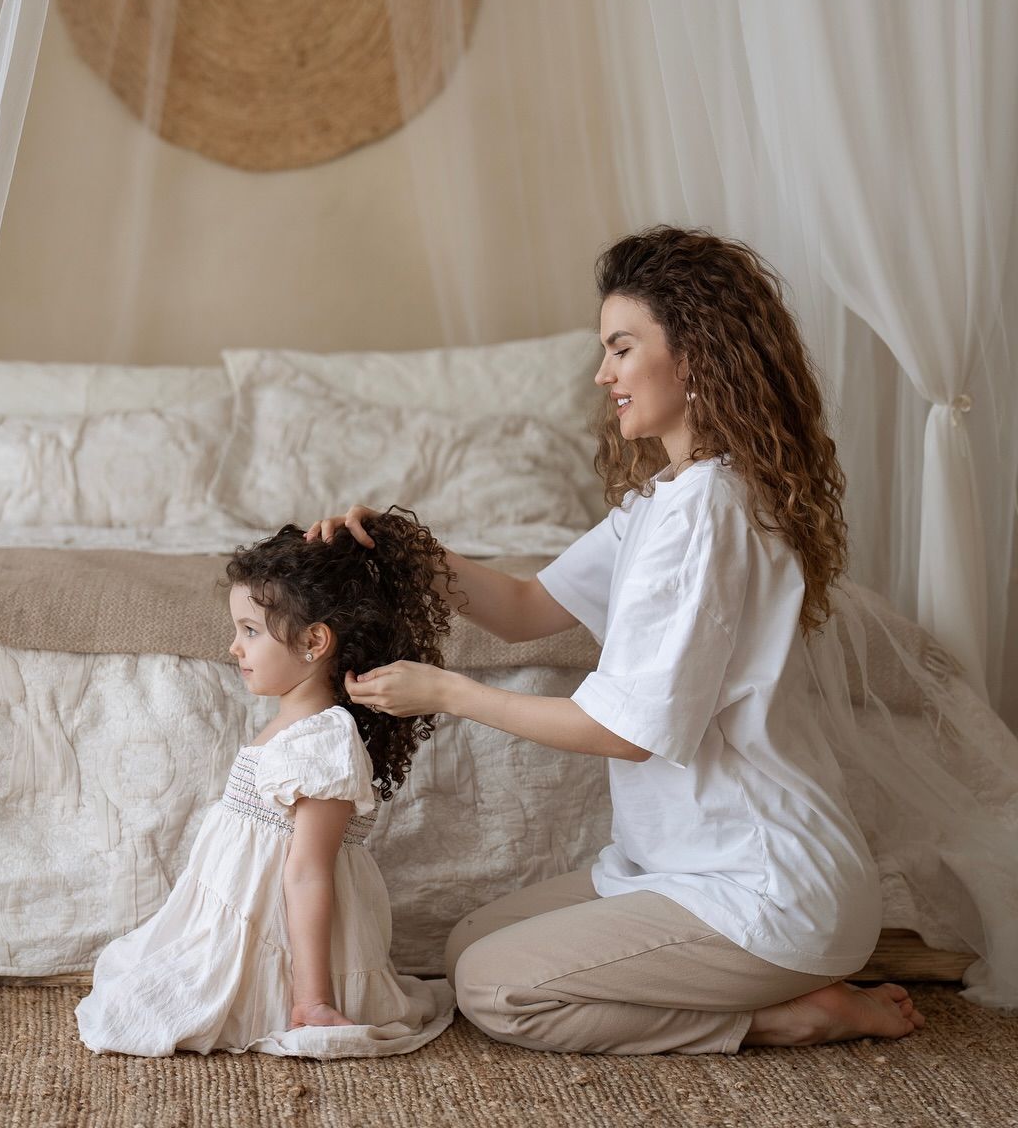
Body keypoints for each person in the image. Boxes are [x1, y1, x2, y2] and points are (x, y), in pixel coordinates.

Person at [307, 226, 927, 1055]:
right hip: (678, 867)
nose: (603, 374)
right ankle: (774, 993)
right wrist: (400, 548)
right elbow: (526, 606)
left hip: (763, 886)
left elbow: (626, 731)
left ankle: (786, 1016)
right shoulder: (663, 501)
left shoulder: (708, 515)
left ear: (695, 357)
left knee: (494, 990)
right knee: (466, 948)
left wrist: (446, 691)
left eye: (621, 348)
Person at [75, 511, 457, 1057]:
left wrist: (312, 1000)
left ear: (313, 641)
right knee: (133, 982)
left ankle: (301, 998)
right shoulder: (292, 725)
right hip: (247, 914)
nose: (235, 647)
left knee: (147, 1011)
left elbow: (308, 873)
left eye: (250, 631)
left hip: (283, 933)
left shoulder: (323, 741)